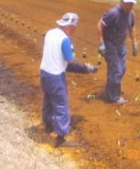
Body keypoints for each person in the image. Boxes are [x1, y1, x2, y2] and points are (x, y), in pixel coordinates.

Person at [40, 12, 97, 148]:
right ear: (71, 26)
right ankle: (61, 139)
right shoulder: (65, 40)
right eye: (75, 27)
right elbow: (70, 63)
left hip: (44, 73)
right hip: (55, 77)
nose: (75, 30)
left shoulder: (50, 32)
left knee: (48, 100)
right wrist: (87, 68)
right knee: (61, 106)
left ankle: (48, 127)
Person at [97, 0, 139, 104]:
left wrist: (134, 43)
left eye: (132, 4)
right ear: (121, 2)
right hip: (110, 44)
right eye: (128, 3)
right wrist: (101, 43)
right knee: (116, 70)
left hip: (121, 44)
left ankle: (112, 90)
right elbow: (100, 25)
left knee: (122, 69)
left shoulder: (131, 13)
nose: (130, 6)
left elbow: (132, 26)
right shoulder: (113, 13)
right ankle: (113, 97)